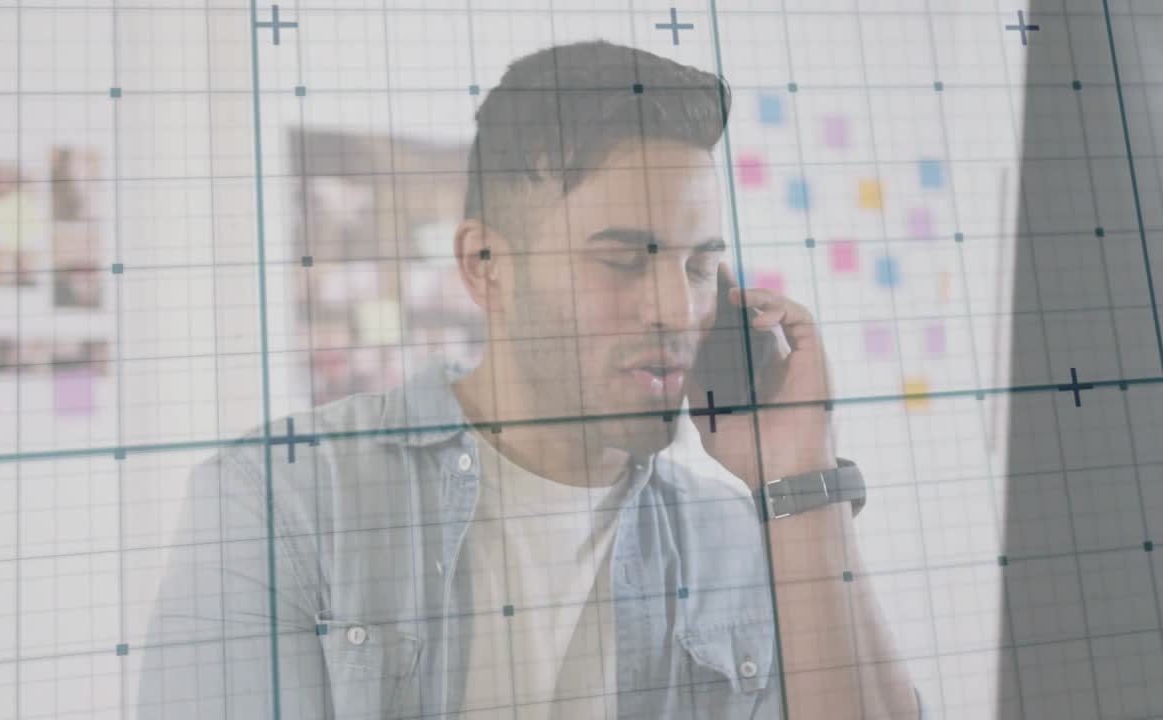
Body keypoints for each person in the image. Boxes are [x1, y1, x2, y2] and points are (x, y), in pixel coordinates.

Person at [137, 40, 922, 719]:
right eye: (623, 260)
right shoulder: (281, 500)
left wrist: (799, 476)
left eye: (700, 265)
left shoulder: (734, 531)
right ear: (486, 266)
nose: (678, 309)